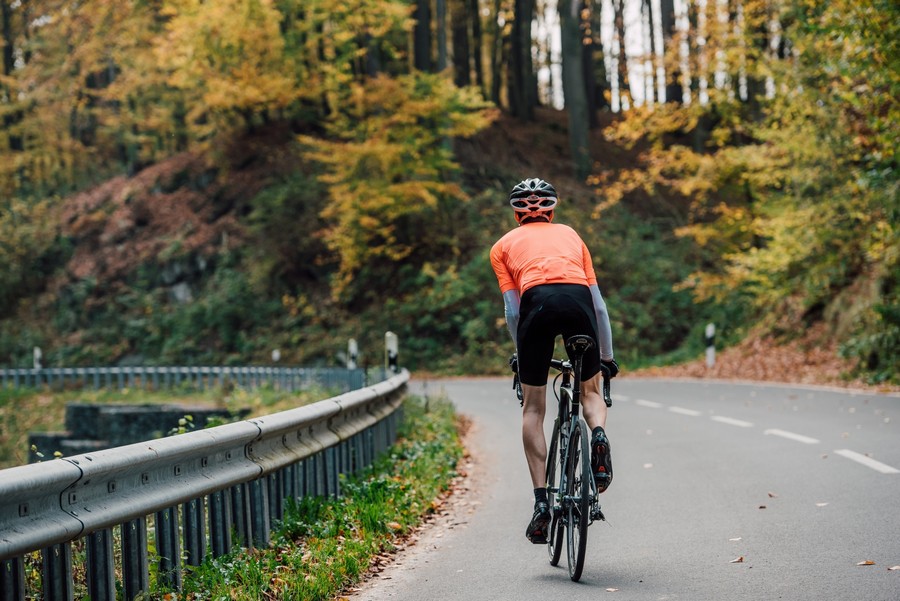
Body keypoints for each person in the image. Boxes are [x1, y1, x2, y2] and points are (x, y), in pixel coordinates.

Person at [489, 177, 619, 545]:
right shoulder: (573, 236)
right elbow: (599, 305)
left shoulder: (502, 247)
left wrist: (522, 353)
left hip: (536, 306)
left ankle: (542, 504)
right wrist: (606, 359)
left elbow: (513, 310)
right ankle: (597, 435)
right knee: (590, 390)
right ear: (552, 210)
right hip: (578, 305)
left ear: (516, 214)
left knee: (533, 409)